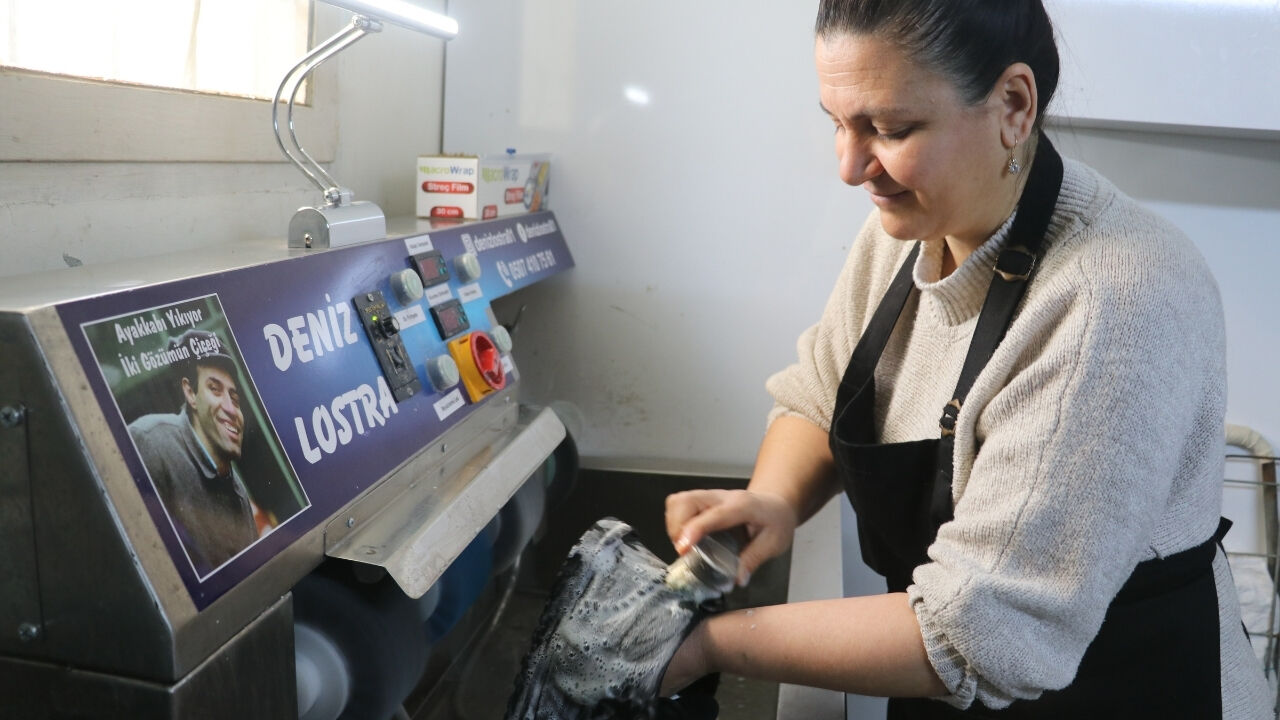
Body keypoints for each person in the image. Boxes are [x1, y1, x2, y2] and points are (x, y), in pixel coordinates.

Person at [660, 0, 1272, 717]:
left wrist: (708, 645)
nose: (850, 167)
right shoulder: (905, 231)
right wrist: (774, 500)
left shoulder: (1117, 297)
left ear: (1013, 105)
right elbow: (823, 393)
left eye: (891, 130)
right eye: (838, 123)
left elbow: (981, 634)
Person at [129, 328, 258, 575]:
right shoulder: (151, 442)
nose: (231, 409)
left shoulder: (238, 493)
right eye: (215, 389)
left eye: (235, 398)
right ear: (190, 393)